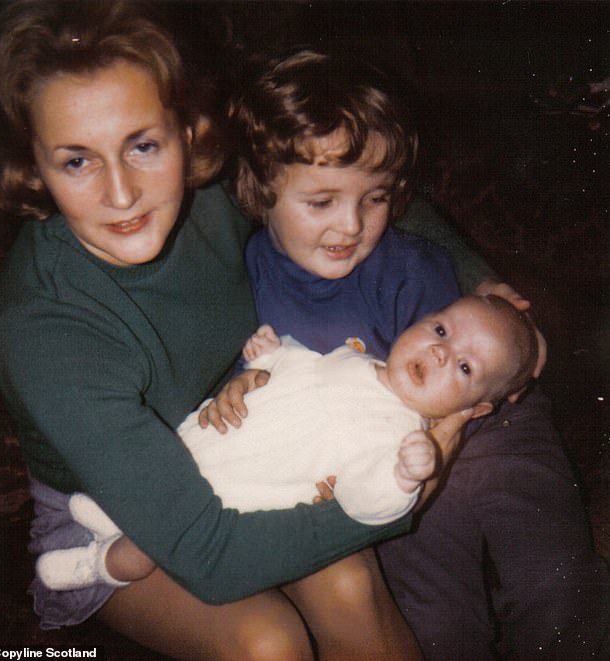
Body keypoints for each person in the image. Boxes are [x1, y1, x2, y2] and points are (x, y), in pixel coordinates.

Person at [0, 3, 485, 659]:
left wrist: (481, 283)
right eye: (77, 161)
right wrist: (401, 495)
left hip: (256, 438)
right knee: (266, 643)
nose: (122, 195)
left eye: (143, 146)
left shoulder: (211, 185)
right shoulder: (42, 331)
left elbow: (359, 177)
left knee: (350, 586)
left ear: (188, 133)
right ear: (35, 165)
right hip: (111, 520)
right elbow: (211, 556)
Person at [199, 48, 610, 659]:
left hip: (490, 425)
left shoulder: (409, 266)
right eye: (322, 202)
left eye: (376, 197)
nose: (352, 225)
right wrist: (244, 389)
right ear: (259, 189)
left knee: (555, 583)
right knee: (432, 620)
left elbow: (476, 364)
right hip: (390, 464)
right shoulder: (249, 281)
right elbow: (265, 381)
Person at [36, 293, 539, 593]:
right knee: (160, 466)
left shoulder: (400, 439)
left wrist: (405, 476)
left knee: (154, 541)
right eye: (441, 329)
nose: (440, 352)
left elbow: (367, 500)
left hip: (237, 492)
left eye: (465, 367)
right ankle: (120, 514)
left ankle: (99, 566)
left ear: (474, 410)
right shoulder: (359, 359)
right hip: (216, 441)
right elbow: (307, 367)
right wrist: (270, 357)